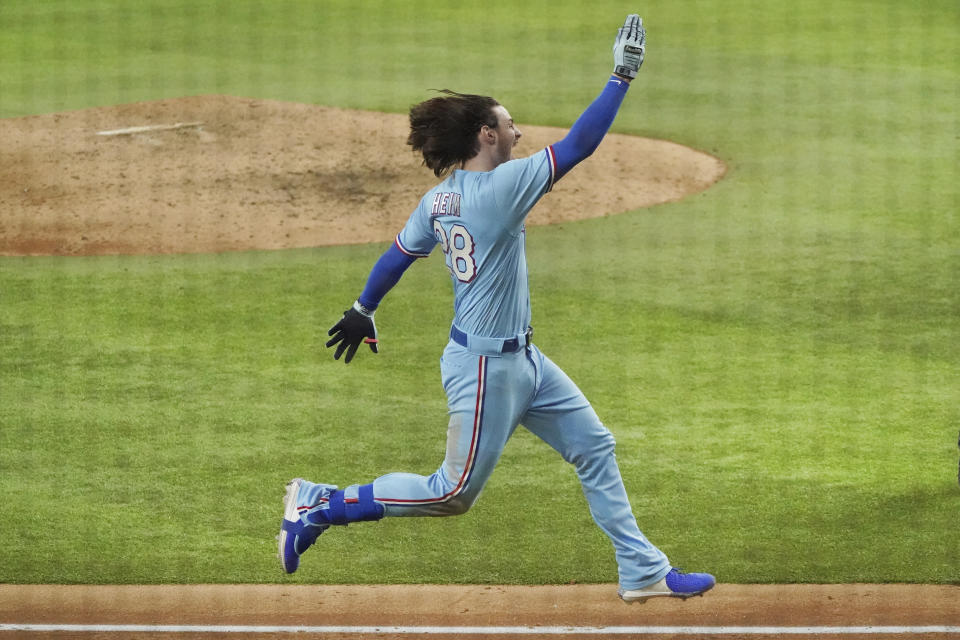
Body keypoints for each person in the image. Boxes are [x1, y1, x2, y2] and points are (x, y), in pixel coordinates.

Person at [278, 14, 715, 603]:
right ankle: (322, 503)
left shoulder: (439, 198)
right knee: (451, 492)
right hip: (485, 370)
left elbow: (398, 254)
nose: (518, 132)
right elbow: (580, 145)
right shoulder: (504, 188)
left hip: (524, 360)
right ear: (486, 134)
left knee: (594, 447)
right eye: (509, 124)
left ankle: (641, 570)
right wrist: (622, 74)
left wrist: (364, 306)